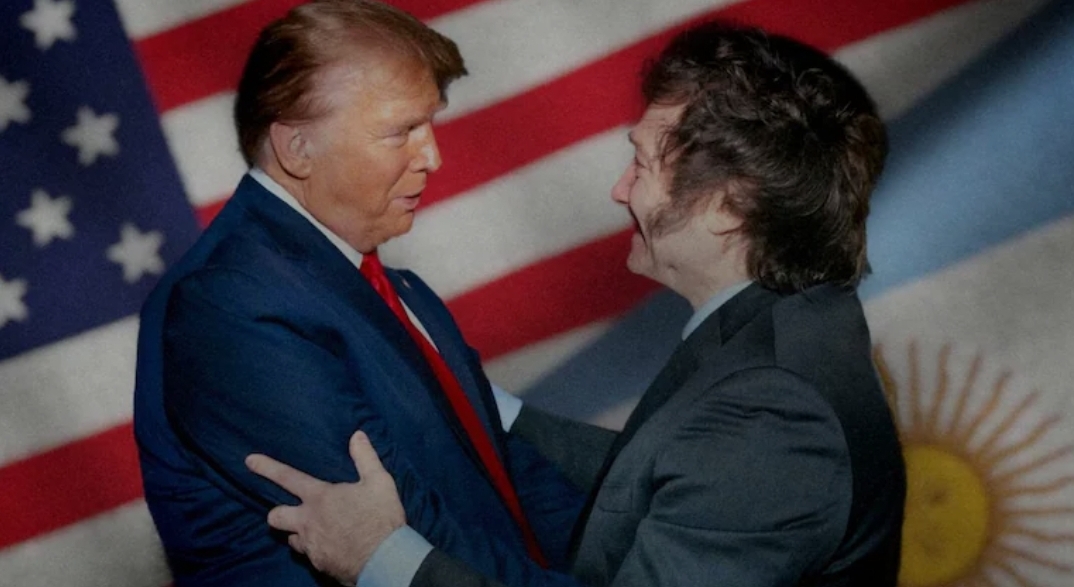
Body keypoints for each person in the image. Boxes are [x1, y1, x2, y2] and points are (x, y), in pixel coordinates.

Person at [246, 19, 908, 587]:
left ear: (729, 206)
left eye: (641, 165)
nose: (620, 190)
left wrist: (380, 556)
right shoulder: (786, 326)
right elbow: (663, 474)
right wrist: (480, 403)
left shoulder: (775, 411)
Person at [131, 1, 603, 585]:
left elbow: (513, 477)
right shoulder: (228, 304)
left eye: (430, 126)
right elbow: (413, 535)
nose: (433, 157)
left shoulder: (394, 289)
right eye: (401, 131)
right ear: (297, 149)